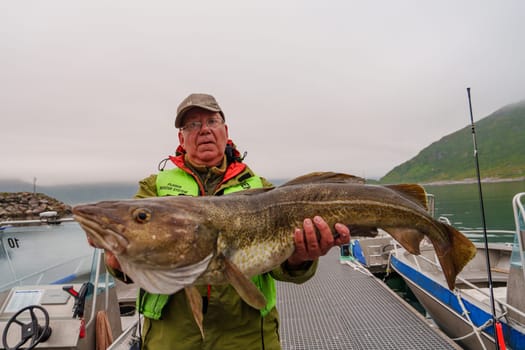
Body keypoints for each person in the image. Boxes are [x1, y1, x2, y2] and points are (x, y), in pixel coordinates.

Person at [105, 93, 350, 349]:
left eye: (212, 121)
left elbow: (282, 268)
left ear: (225, 130)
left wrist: (301, 258)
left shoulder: (262, 189)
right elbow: (122, 258)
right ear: (181, 138)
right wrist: (118, 261)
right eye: (193, 125)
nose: (204, 131)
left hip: (248, 336)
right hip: (172, 336)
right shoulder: (153, 190)